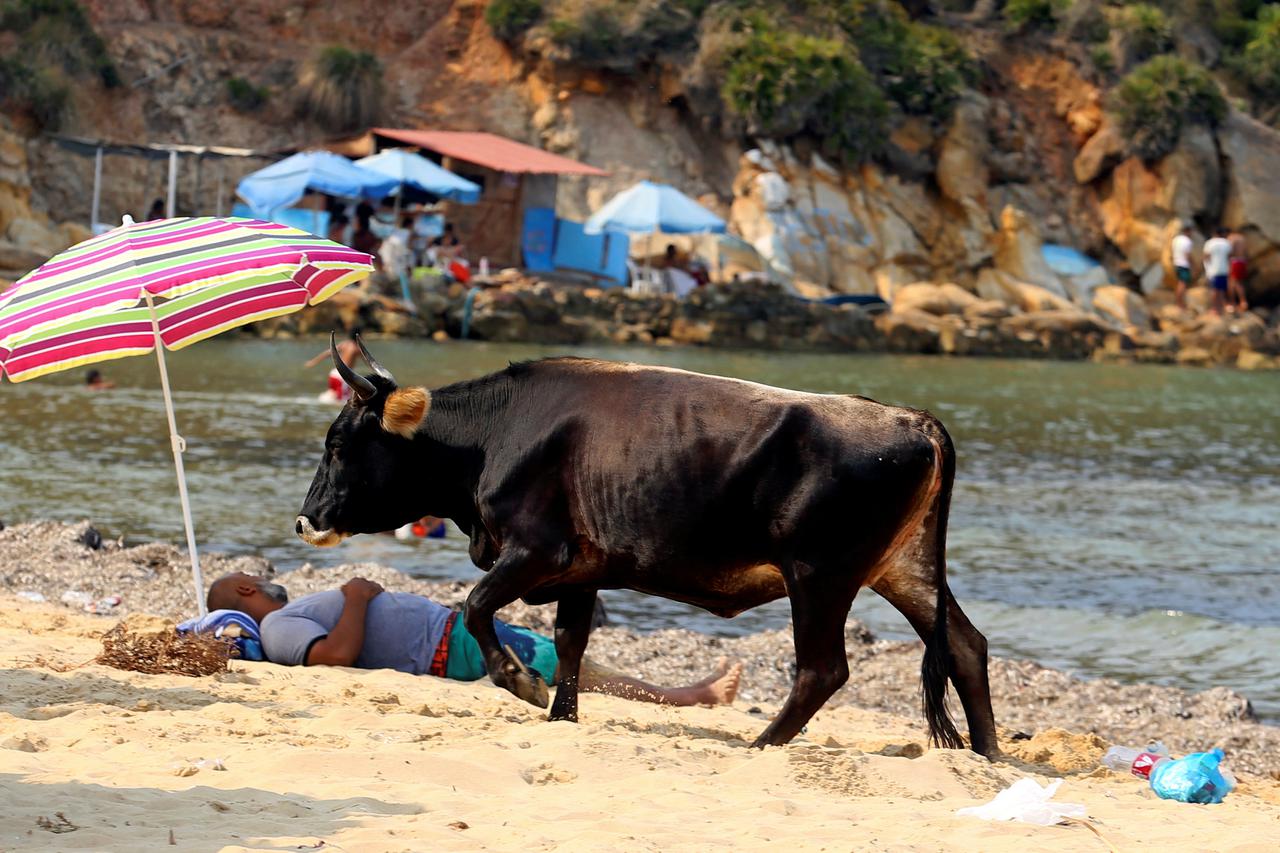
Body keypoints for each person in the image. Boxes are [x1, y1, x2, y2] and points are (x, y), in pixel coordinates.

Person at [206, 572, 743, 708]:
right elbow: (334, 658)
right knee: (573, 669)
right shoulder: (277, 625)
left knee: (567, 663)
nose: (264, 578)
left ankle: (689, 693)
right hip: (452, 646)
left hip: (455, 635)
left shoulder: (285, 619)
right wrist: (357, 597)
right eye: (253, 578)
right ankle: (692, 696)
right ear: (247, 590)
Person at [304, 332, 360, 403]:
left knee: (333, 394)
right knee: (344, 401)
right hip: (344, 377)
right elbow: (367, 361)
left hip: (334, 373)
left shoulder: (344, 344)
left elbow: (328, 353)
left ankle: (321, 401)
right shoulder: (356, 348)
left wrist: (313, 362)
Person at [1203, 228, 1233, 316]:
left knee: (1214, 290)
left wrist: (1207, 269)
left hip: (1213, 270)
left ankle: (1214, 308)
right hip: (1224, 270)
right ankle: (1221, 308)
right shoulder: (1226, 243)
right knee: (1222, 290)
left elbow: (1206, 257)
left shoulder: (1209, 243)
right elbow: (1230, 257)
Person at [1171, 225, 1194, 309]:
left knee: (1179, 283)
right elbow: (1187, 255)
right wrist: (1193, 264)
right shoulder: (1187, 241)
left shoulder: (1176, 239)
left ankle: (1178, 302)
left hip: (1176, 263)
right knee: (1182, 284)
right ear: (1189, 231)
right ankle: (1180, 303)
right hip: (1184, 264)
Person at [1228, 229, 1250, 313]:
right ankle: (1243, 302)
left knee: (1232, 282)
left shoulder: (1232, 238)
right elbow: (1246, 252)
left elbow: (1231, 250)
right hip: (1242, 261)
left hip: (1235, 261)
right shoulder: (1242, 238)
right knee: (1240, 282)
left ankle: (1235, 303)